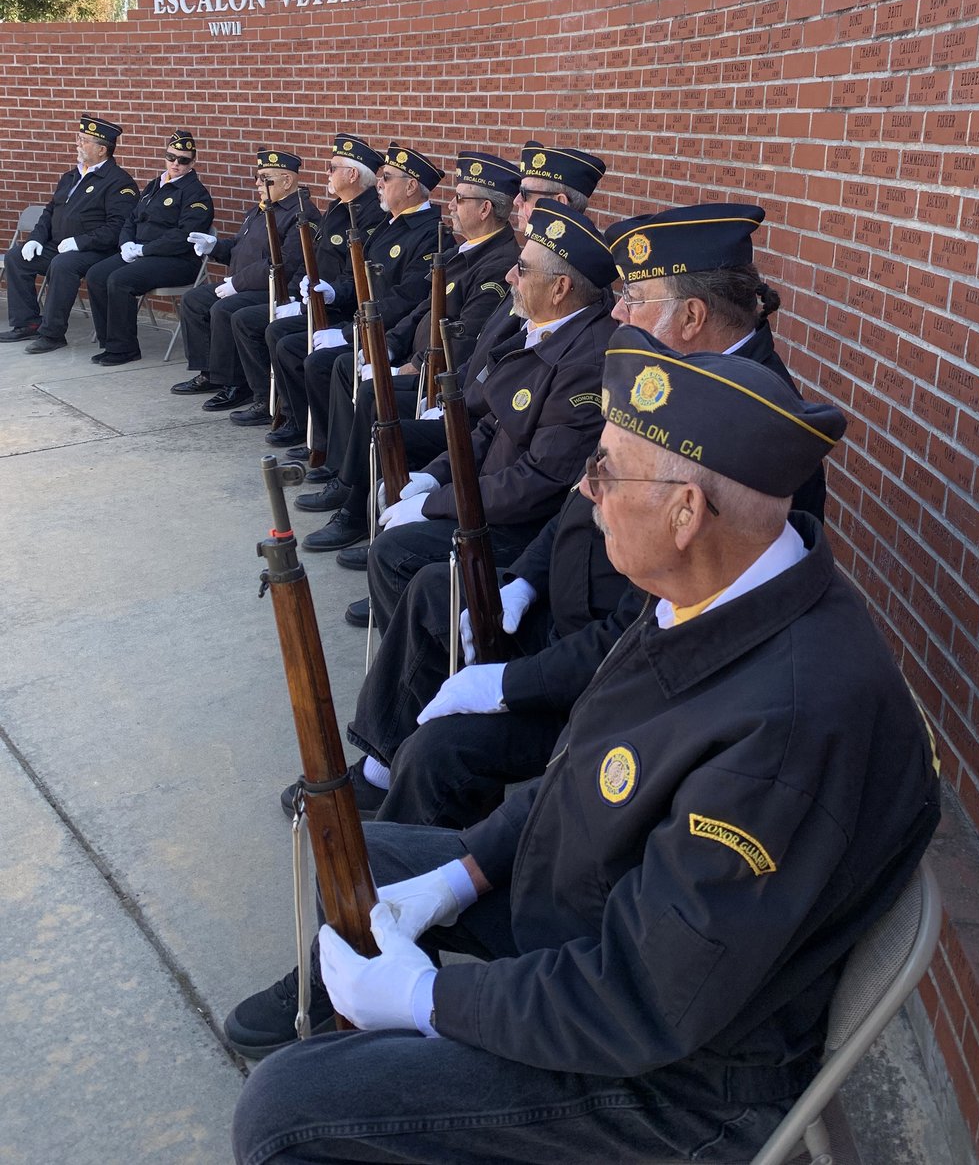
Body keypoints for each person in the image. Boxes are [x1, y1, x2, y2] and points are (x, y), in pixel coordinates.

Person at [229, 327, 940, 1165]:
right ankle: (368, 1043)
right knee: (364, 852)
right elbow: (582, 771)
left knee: (285, 1113)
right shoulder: (713, 588)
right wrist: (463, 876)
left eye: (606, 469)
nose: (586, 488)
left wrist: (432, 999)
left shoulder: (789, 725)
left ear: (686, 512)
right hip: (599, 926)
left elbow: (646, 999)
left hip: (674, 1080)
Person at [334, 201, 828, 825]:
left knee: (442, 752)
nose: (616, 311)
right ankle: (381, 771)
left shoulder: (752, 434)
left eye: (635, 298)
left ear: (694, 316)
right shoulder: (671, 373)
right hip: (562, 606)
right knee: (437, 591)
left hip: (609, 676)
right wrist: (526, 579)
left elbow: (648, 630)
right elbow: (580, 493)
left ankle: (413, 877)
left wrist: (512, 684)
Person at [364, 197, 618, 633]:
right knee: (395, 514)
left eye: (523, 269)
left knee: (393, 554)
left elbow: (539, 482)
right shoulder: (550, 330)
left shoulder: (585, 362)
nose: (509, 275)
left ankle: (422, 664)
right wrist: (436, 477)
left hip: (518, 527)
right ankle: (410, 637)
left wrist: (439, 504)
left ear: (559, 289)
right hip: (493, 501)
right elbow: (491, 424)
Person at [297, 149, 521, 553]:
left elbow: (464, 336)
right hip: (421, 368)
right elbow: (422, 310)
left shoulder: (497, 262)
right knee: (349, 368)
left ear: (485, 208)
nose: (450, 205)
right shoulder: (463, 250)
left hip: (438, 381)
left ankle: (355, 509)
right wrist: (377, 348)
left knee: (372, 396)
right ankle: (344, 477)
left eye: (461, 199)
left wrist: (409, 367)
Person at [293, 141, 445, 464]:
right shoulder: (392, 223)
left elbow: (405, 300)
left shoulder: (429, 234)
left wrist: (351, 335)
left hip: (392, 336)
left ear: (411, 186)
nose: (379, 183)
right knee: (318, 360)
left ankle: (339, 463)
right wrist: (333, 292)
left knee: (330, 365)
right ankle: (327, 451)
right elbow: (361, 280)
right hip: (367, 326)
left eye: (387, 177)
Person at [228, 135, 387, 433]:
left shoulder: (371, 216)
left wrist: (330, 294)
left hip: (339, 308)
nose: (326, 173)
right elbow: (310, 260)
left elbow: (357, 276)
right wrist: (292, 295)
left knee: (283, 339)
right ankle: (279, 407)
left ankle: (299, 420)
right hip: (311, 300)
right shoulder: (337, 208)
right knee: (260, 325)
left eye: (332, 167)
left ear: (352, 174)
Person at [170, 149, 318, 411]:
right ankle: (211, 373)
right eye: (257, 177)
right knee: (194, 300)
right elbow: (240, 248)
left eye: (264, 178)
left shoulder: (301, 213)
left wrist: (237, 284)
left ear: (287, 181)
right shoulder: (261, 209)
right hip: (243, 282)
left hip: (273, 289)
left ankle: (237, 384)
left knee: (225, 310)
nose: (257, 184)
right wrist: (215, 246)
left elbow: (283, 264)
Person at [1, 114, 138, 352]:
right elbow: (49, 212)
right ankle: (28, 323)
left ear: (102, 150)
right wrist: (34, 239)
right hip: (58, 245)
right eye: (79, 138)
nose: (78, 143)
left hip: (96, 252)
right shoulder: (71, 176)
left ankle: (53, 334)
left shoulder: (119, 183)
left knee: (63, 265)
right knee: (16, 257)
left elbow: (118, 227)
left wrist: (80, 242)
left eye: (84, 140)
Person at [84, 129, 214, 365]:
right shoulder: (156, 184)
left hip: (178, 261)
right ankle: (109, 341)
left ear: (193, 162)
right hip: (142, 253)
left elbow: (183, 236)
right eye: (171, 157)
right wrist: (126, 244)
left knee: (119, 280)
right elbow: (131, 218)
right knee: (96, 275)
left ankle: (124, 349)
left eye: (183, 160)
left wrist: (145, 249)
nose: (176, 164)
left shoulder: (196, 194)